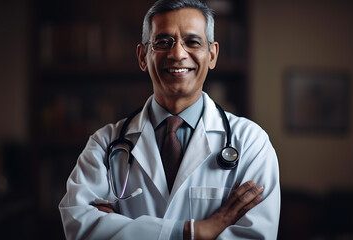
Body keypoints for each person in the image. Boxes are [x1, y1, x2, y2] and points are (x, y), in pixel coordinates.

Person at [59, 0, 280, 239]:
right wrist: (193, 231)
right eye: (163, 42)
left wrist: (119, 228)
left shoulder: (250, 143)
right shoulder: (105, 143)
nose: (177, 54)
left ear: (212, 55)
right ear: (143, 56)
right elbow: (80, 226)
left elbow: (255, 236)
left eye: (192, 42)